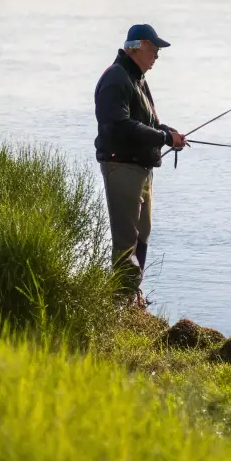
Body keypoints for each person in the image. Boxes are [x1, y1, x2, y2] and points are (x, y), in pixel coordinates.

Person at [94, 23, 187, 302]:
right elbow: (120, 126)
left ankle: (133, 295)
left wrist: (170, 135)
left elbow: (151, 123)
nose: (157, 55)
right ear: (134, 48)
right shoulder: (115, 79)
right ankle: (119, 303)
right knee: (126, 239)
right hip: (121, 166)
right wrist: (163, 137)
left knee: (142, 234)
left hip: (143, 169)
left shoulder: (138, 79)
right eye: (152, 48)